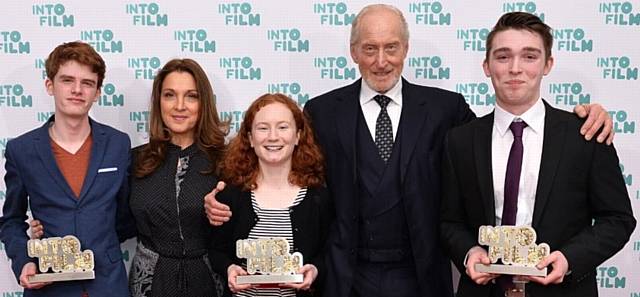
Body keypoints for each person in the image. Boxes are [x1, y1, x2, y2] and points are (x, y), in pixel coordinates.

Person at [205, 4, 614, 297]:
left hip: (421, 272)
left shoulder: (445, 109)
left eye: (391, 47)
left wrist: (589, 113)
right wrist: (222, 197)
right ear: (353, 53)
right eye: (369, 48)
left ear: (405, 49)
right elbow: (280, 165)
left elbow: (505, 131)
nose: (381, 61)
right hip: (345, 273)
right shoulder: (322, 110)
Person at [440, 12, 636, 297]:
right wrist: (469, 252)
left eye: (529, 56)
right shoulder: (460, 139)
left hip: (564, 291)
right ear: (486, 65)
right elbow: (449, 221)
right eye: (503, 56)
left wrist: (569, 259)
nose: (515, 68)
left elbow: (617, 220)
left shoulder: (586, 134)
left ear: (548, 64)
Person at [0, 41, 132, 296]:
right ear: (50, 85)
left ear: (97, 92)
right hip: (49, 286)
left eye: (87, 83)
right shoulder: (22, 150)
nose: (77, 90)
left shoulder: (118, 144)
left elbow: (125, 215)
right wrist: (25, 260)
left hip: (108, 285)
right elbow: (12, 221)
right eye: (67, 80)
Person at [209, 93, 332, 297]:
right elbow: (216, 250)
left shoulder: (319, 198)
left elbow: (328, 252)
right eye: (263, 128)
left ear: (298, 135)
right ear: (250, 138)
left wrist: (315, 270)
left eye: (283, 127)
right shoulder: (230, 195)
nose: (273, 136)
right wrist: (229, 268)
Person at [127, 59, 227, 297]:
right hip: (149, 283)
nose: (179, 106)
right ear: (159, 101)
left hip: (210, 281)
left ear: (203, 103)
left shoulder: (227, 162)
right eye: (170, 95)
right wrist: (52, 226)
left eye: (191, 96)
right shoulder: (135, 160)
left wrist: (225, 214)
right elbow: (113, 223)